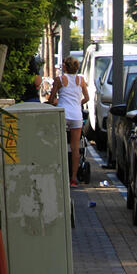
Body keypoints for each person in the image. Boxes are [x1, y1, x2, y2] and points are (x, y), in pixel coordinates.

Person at [48, 56, 89, 186]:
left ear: (65, 67)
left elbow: (51, 99)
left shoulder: (59, 80)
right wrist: (78, 103)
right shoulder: (81, 80)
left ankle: (58, 174)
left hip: (63, 114)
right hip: (77, 115)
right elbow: (87, 98)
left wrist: (56, 102)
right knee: (75, 148)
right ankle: (73, 178)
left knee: (58, 145)